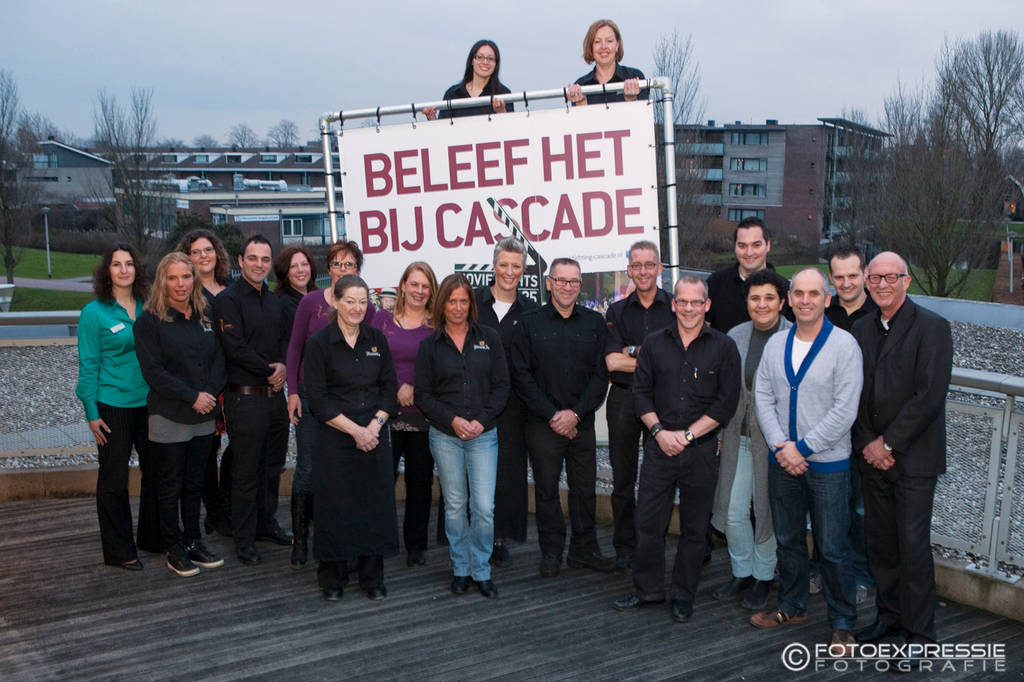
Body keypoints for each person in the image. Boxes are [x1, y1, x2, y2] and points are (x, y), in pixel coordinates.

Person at [613, 276, 740, 623]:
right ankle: (648, 590)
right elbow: (641, 393)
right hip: (659, 447)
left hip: (700, 450)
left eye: (696, 302)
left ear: (707, 305)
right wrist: (658, 432)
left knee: (695, 529)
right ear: (673, 304)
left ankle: (684, 595)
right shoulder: (654, 344)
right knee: (648, 522)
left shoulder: (724, 347)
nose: (688, 308)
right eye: (682, 301)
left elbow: (725, 403)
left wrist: (686, 436)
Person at [750, 268, 862, 656]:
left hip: (828, 464)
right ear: (789, 299)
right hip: (782, 460)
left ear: (827, 299)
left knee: (833, 546)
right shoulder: (776, 344)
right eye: (798, 293)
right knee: (789, 540)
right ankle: (792, 605)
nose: (806, 300)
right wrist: (781, 445)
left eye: (814, 293)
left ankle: (843, 623)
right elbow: (762, 397)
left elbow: (845, 410)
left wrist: (803, 448)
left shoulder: (844, 346)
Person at [851, 252, 953, 658]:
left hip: (913, 460)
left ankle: (920, 636)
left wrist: (887, 443)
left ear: (906, 281)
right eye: (874, 278)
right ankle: (889, 617)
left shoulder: (932, 327)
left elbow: (929, 396)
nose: (882, 284)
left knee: (912, 549)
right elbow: (853, 392)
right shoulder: (862, 328)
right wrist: (867, 442)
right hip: (872, 458)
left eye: (890, 277)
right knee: (881, 546)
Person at [511, 258, 613, 577]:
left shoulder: (594, 323)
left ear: (580, 285)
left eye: (574, 281)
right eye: (561, 280)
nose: (567, 287)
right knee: (546, 490)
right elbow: (521, 375)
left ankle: (584, 550)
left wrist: (576, 414)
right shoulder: (529, 323)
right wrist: (554, 415)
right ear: (549, 283)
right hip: (543, 423)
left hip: (581, 422)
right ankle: (552, 552)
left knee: (585, 489)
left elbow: (600, 375)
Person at [304, 275, 399, 601]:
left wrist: (374, 427)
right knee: (335, 507)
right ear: (335, 301)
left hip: (374, 435)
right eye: (350, 301)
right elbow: (318, 400)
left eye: (362, 302)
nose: (357, 308)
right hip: (336, 437)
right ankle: (333, 577)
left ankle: (372, 577)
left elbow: (389, 389)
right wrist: (356, 431)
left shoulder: (377, 339)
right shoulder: (319, 344)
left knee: (374, 506)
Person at [415, 275, 509, 598]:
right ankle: (461, 568)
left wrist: (481, 421)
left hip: (483, 435)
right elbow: (423, 394)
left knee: (483, 507)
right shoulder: (429, 345)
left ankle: (481, 569)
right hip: (445, 436)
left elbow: (502, 386)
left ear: (472, 304)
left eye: (463, 301)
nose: (458, 307)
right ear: (442, 304)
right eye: (452, 301)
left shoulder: (489, 338)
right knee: (455, 505)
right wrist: (452, 420)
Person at [134, 252, 227, 576]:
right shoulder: (149, 321)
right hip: (170, 415)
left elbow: (219, 359)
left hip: (203, 414)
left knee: (194, 483)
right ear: (162, 281)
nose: (180, 284)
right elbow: (153, 371)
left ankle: (193, 541)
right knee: (170, 485)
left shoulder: (206, 314)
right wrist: (192, 397)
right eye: (172, 278)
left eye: (186, 277)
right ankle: (173, 548)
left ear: (194, 279)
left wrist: (209, 395)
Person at [285, 240, 371, 568]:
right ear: (329, 268)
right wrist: (293, 392)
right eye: (337, 264)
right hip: (309, 395)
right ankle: (300, 540)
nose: (343, 269)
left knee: (342, 469)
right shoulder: (310, 302)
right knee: (307, 467)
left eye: (350, 264)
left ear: (357, 269)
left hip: (347, 400)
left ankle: (338, 536)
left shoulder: (366, 307)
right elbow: (295, 348)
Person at [75, 242, 160, 569]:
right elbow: (88, 366)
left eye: (129, 263)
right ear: (106, 271)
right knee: (113, 478)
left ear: (137, 269)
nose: (124, 270)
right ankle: (119, 551)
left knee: (157, 471)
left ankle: (152, 537)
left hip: (149, 403)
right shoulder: (93, 313)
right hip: (112, 405)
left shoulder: (149, 307)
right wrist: (91, 413)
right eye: (116, 264)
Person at [710, 269, 791, 610]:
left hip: (775, 443)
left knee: (766, 510)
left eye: (770, 297)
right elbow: (723, 388)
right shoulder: (735, 335)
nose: (762, 304)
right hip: (736, 436)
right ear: (747, 302)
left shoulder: (793, 337)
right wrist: (719, 432)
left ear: (782, 302)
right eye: (755, 298)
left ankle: (764, 575)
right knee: (732, 510)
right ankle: (742, 571)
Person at [213, 235, 290, 565]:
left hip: (274, 398)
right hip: (244, 399)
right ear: (241, 261)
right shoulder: (227, 300)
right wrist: (271, 370)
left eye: (265, 259)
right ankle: (244, 539)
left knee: (272, 466)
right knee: (245, 472)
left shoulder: (274, 302)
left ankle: (265, 524)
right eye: (253, 258)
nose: (260, 264)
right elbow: (235, 347)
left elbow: (286, 341)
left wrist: (283, 366)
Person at [602, 240, 674, 575]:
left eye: (649, 264)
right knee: (622, 480)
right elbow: (613, 362)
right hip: (623, 400)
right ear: (628, 270)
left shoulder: (675, 307)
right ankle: (625, 547)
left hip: (664, 402)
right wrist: (656, 359)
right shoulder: (616, 312)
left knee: (657, 482)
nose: (643, 271)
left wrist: (633, 351)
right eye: (636, 265)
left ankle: (651, 546)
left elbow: (679, 359)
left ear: (660, 268)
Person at [811, 245, 878, 602]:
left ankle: (860, 576)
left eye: (853, 275)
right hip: (826, 428)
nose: (847, 283)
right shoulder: (823, 312)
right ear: (831, 279)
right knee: (825, 506)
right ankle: (821, 568)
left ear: (865, 275)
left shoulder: (879, 315)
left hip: (865, 429)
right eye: (839, 277)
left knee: (861, 510)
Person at [474, 238, 538, 566]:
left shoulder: (531, 310)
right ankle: (471, 535)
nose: (509, 272)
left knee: (508, 473)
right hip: (473, 401)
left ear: (523, 270)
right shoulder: (472, 302)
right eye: (504, 265)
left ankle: (499, 537)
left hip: (514, 406)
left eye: (516, 266)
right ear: (493, 265)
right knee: (472, 472)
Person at [370, 262, 438, 567]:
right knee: (381, 480)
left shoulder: (437, 324)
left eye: (425, 286)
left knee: (419, 482)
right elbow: (371, 360)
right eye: (414, 284)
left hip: (421, 416)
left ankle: (416, 545)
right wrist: (396, 387)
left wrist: (416, 388)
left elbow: (443, 366)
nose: (419, 291)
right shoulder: (381, 319)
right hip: (385, 414)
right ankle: (379, 540)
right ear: (403, 286)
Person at [178, 228, 231, 537]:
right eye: (195, 252)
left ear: (217, 253)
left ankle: (226, 504)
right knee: (207, 452)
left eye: (208, 249)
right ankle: (214, 513)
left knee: (236, 449)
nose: (203, 256)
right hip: (206, 386)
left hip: (235, 381)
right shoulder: (187, 295)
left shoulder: (230, 288)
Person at [706, 216, 779, 334]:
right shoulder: (715, 283)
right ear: (735, 247)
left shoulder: (783, 289)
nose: (749, 253)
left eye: (756, 245)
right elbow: (701, 329)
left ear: (768, 245)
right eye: (742, 246)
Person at [423, 40, 513, 120]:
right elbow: (443, 129)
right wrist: (433, 120)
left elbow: (510, 130)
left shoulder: (504, 94)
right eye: (480, 57)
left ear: (496, 64)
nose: (485, 62)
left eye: (490, 58)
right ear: (472, 61)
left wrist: (502, 113)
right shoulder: (452, 93)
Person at [565, 19, 648, 106]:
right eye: (597, 41)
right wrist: (581, 103)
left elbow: (644, 112)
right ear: (591, 47)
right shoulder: (580, 86)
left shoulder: (635, 77)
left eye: (609, 41)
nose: (603, 46)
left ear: (617, 45)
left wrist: (631, 100)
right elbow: (581, 115)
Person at [273, 245, 317, 332]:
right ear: (285, 272)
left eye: (304, 264)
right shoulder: (284, 306)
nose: (300, 270)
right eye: (293, 266)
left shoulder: (320, 296)